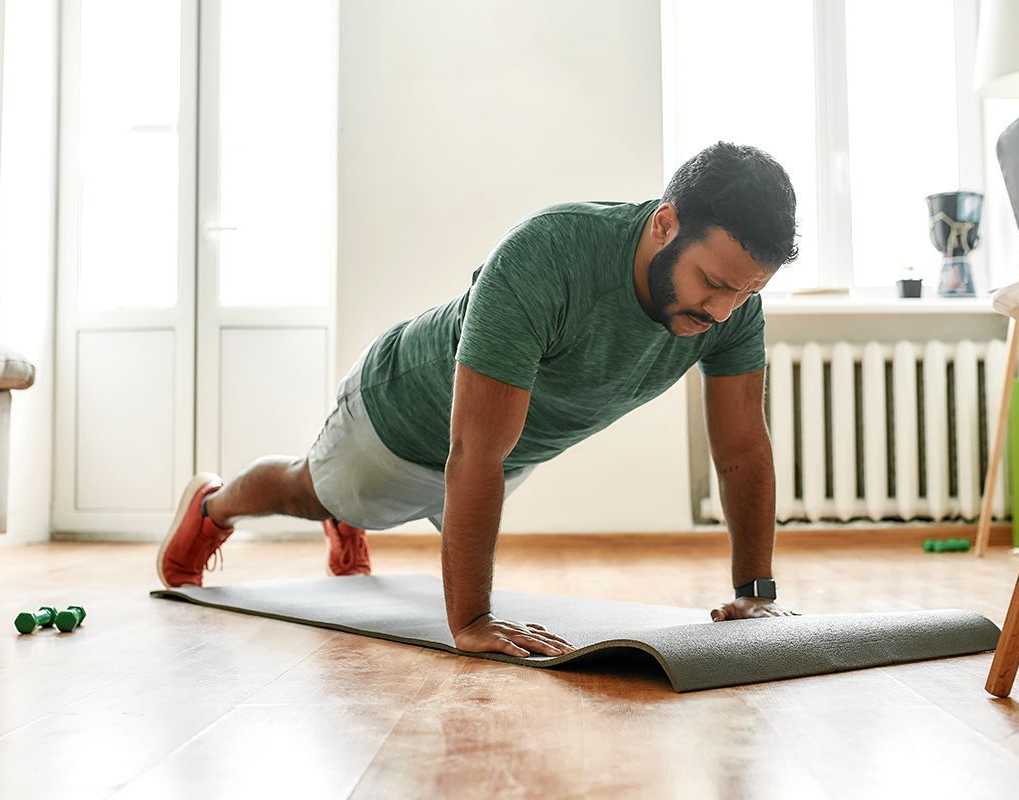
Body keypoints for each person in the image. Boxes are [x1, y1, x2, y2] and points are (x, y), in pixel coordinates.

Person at [156, 141, 800, 659]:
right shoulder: (549, 252)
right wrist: (471, 621)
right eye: (711, 284)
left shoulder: (733, 308)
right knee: (309, 491)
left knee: (441, 495)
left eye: (742, 294)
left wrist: (756, 594)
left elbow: (742, 448)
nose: (721, 313)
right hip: (400, 416)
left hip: (496, 450)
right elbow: (474, 449)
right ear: (665, 224)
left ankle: (350, 518)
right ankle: (213, 507)